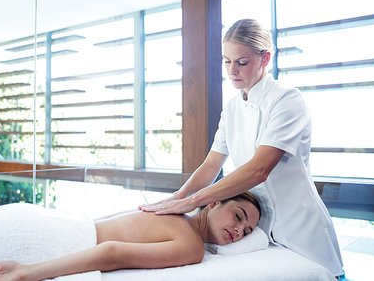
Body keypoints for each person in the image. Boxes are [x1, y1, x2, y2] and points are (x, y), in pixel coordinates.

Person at [140, 18, 343, 276]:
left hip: (301, 229)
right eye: (227, 61)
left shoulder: (286, 99)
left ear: (265, 58)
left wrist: (193, 201)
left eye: (242, 62)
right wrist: (174, 200)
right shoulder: (233, 108)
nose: (232, 70)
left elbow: (259, 169)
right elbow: (211, 164)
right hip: (258, 231)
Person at [0, 191, 260, 281]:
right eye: (238, 216)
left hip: (39, 220)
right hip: (56, 238)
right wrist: (27, 273)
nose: (239, 231)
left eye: (247, 232)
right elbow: (112, 252)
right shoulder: (191, 245)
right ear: (214, 201)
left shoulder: (171, 211)